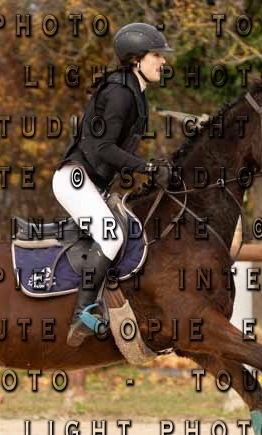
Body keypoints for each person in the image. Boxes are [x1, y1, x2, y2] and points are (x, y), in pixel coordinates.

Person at [54, 22, 176, 347]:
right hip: (74, 180)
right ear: (136, 59)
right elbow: (103, 148)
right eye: (156, 55)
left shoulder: (135, 92)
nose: (163, 61)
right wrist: (146, 167)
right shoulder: (120, 93)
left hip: (92, 184)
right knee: (111, 236)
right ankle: (81, 314)